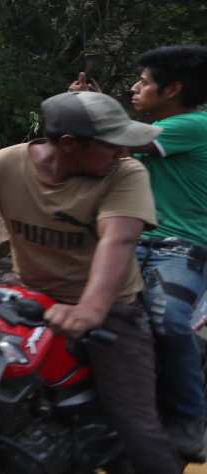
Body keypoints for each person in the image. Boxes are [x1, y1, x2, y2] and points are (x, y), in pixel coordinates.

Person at [0, 91, 180, 474]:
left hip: (110, 312)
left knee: (137, 429)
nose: (123, 152)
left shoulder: (125, 174)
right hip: (27, 296)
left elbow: (118, 239)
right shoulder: (5, 164)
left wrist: (90, 309)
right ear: (70, 145)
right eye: (113, 145)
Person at [87, 45, 207, 458]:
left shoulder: (193, 125)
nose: (135, 88)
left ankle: (191, 419)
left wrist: (87, 108)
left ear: (172, 89)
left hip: (184, 244)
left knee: (167, 320)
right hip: (138, 238)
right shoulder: (167, 126)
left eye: (143, 82)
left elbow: (112, 146)